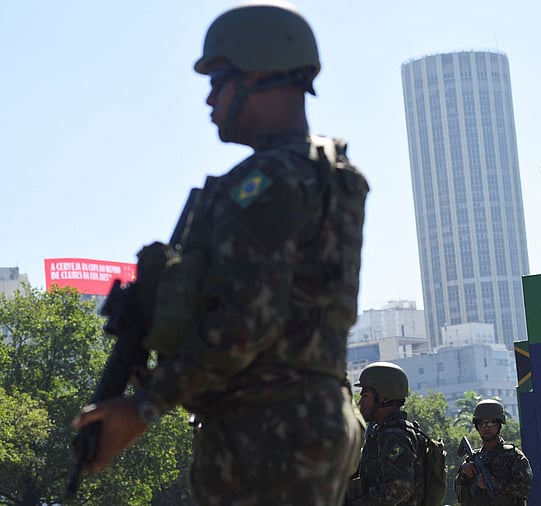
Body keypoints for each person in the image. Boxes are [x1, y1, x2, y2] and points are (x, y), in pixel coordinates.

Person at [71, 3, 368, 504]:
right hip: (310, 419)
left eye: (218, 80)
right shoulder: (329, 171)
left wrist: (143, 406)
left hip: (266, 432)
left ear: (259, 75)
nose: (210, 98)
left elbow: (245, 323)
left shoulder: (268, 181)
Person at [346, 362, 423, 505]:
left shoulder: (395, 436)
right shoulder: (379, 432)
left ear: (384, 398)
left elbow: (399, 489)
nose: (360, 402)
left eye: (365, 396)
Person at [455, 399, 532, 505]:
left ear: (499, 425)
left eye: (491, 423)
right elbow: (459, 491)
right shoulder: (473, 459)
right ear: (477, 427)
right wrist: (464, 472)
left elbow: (524, 488)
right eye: (482, 423)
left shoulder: (513, 456)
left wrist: (494, 483)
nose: (486, 427)